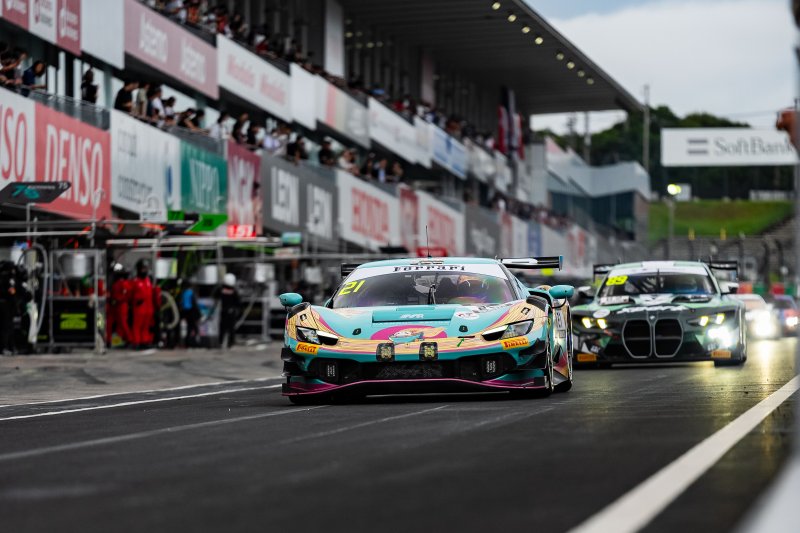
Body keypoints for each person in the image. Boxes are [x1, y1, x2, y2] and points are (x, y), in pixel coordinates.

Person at [129, 259, 156, 348]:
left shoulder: (148, 280)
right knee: (137, 326)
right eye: (143, 269)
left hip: (149, 308)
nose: (145, 271)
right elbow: (130, 294)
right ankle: (136, 342)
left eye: (146, 268)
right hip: (139, 307)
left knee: (146, 326)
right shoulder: (135, 281)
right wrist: (135, 302)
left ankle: (145, 341)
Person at [107, 263, 132, 346]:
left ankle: (129, 339)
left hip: (121, 305)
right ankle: (109, 340)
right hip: (113, 306)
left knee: (122, 323)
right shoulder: (115, 283)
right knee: (109, 323)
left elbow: (126, 295)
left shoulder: (124, 283)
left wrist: (117, 300)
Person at [215, 273, 241, 349]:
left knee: (222, 328)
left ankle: (220, 342)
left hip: (223, 311)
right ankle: (230, 343)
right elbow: (238, 302)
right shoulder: (234, 291)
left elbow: (215, 295)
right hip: (231, 312)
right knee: (231, 328)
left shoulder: (221, 289)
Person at [178, 281, 201, 348]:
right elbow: (194, 303)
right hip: (191, 312)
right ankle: (195, 342)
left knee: (189, 327)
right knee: (194, 327)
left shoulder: (183, 293)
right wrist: (198, 313)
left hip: (185, 312)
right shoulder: (191, 292)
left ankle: (187, 342)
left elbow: (181, 303)